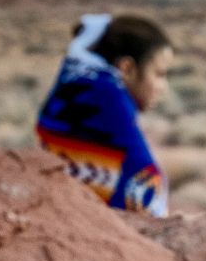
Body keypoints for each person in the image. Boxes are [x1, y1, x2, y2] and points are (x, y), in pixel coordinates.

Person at [36, 13, 171, 217]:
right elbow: (144, 189)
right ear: (127, 68)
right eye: (159, 74)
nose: (163, 87)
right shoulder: (107, 99)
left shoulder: (75, 87)